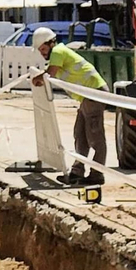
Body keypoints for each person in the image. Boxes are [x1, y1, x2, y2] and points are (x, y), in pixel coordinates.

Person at [30, 25, 108, 184]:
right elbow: (46, 73)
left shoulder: (58, 51)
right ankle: (77, 172)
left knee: (95, 138)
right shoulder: (57, 56)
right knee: (80, 135)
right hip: (86, 97)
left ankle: (97, 174)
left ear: (51, 43)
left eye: (43, 49)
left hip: (94, 94)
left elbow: (48, 74)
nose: (42, 53)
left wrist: (36, 78)